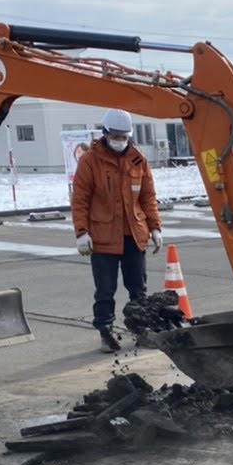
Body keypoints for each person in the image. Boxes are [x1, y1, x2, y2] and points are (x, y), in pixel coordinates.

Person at [71, 109, 163, 352]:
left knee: (138, 289)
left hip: (134, 235)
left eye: (124, 137)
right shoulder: (90, 161)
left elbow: (148, 197)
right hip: (102, 238)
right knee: (105, 289)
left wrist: (155, 227)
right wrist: (82, 232)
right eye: (116, 136)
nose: (120, 141)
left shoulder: (138, 160)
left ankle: (141, 328)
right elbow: (80, 199)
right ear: (105, 134)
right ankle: (105, 331)